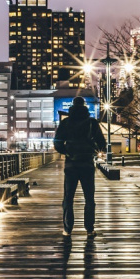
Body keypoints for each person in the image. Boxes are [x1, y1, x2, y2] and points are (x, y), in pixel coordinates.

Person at [52, 98, 105, 236]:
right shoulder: (92, 123)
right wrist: (93, 150)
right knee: (89, 198)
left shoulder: (66, 122)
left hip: (71, 164)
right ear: (84, 106)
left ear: (72, 106)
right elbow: (102, 143)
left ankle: (67, 229)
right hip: (87, 164)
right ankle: (89, 229)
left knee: (68, 198)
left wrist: (67, 152)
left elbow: (57, 142)